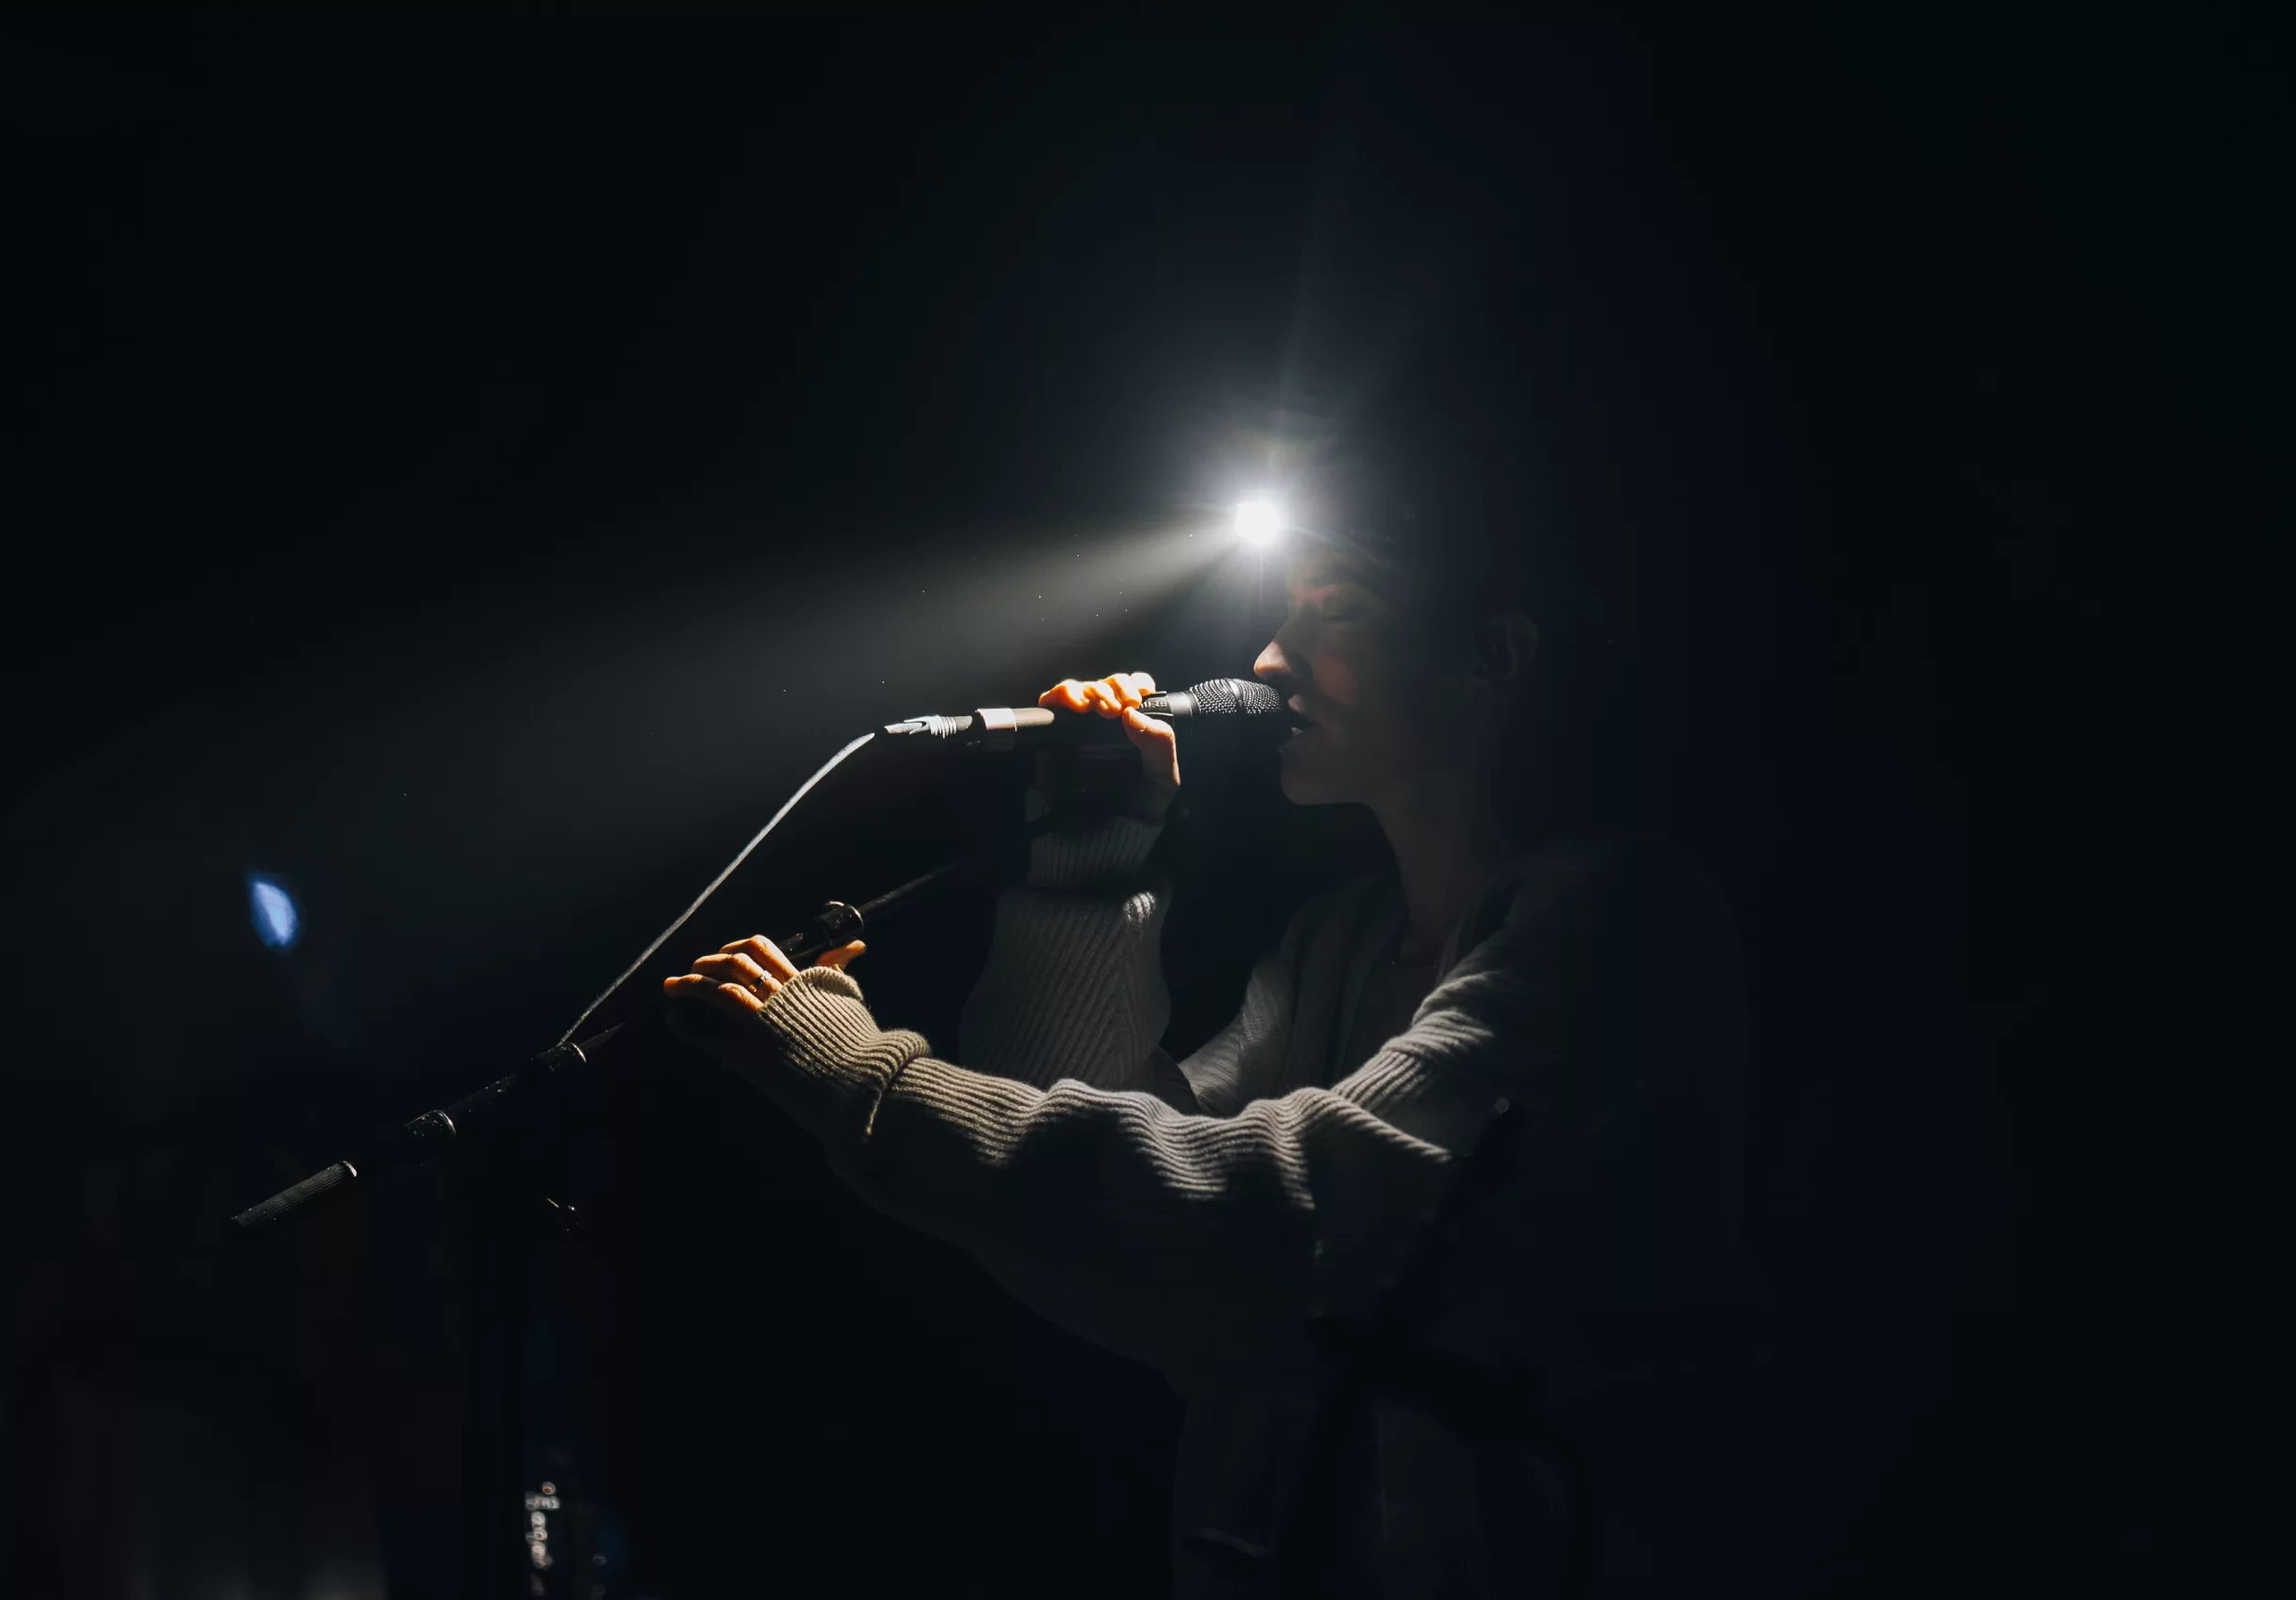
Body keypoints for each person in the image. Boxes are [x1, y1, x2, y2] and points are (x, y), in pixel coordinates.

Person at [668, 456, 1754, 1596]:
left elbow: (1266, 1229)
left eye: (1335, 610)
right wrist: (1092, 856)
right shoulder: (1335, 947)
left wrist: (865, 1079)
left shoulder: (1622, 919)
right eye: (1284, 614)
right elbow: (1094, 1220)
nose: (1270, 661)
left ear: (1490, 656)